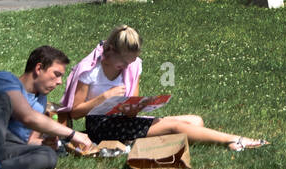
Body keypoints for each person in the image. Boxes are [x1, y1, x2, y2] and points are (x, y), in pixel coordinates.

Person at [60, 25, 265, 151]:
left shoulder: (133, 66)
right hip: (101, 127)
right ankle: (235, 140)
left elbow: (133, 103)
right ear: (110, 52)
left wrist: (136, 107)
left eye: (131, 63)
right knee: (176, 128)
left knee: (195, 121)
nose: (127, 68)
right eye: (123, 63)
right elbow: (75, 113)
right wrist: (103, 98)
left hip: (123, 121)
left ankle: (138, 141)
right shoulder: (90, 71)